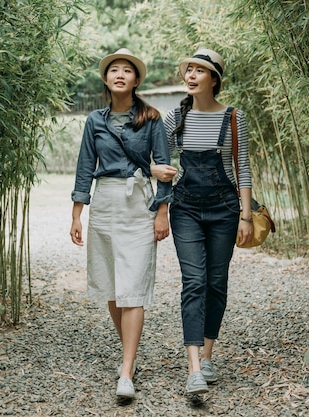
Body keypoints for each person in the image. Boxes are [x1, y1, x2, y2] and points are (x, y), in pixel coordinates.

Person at [70, 48, 174, 399]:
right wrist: (76, 215)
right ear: (105, 79)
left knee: (133, 286)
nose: (119, 74)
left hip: (138, 202)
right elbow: (86, 167)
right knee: (114, 288)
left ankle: (126, 370)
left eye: (127, 70)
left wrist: (162, 211)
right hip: (104, 202)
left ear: (136, 79)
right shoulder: (94, 121)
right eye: (113, 70)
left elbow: (164, 164)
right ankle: (130, 354)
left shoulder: (151, 117)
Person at [156, 48, 253, 395]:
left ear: (214, 79)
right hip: (186, 208)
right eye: (190, 69)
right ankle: (194, 367)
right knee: (194, 282)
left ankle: (208, 356)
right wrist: (161, 207)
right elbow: (158, 163)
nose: (192, 75)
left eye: (200, 70)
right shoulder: (173, 120)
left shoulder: (233, 118)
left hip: (225, 208)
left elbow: (243, 168)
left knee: (216, 282)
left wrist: (245, 216)